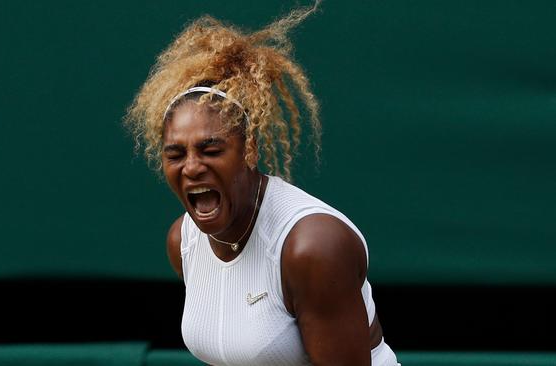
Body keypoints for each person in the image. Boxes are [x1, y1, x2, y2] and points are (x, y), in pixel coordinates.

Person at [125, 2, 399, 365]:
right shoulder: (183, 243)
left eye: (210, 149)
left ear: (249, 149)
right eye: (176, 154)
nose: (191, 167)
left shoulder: (313, 248)